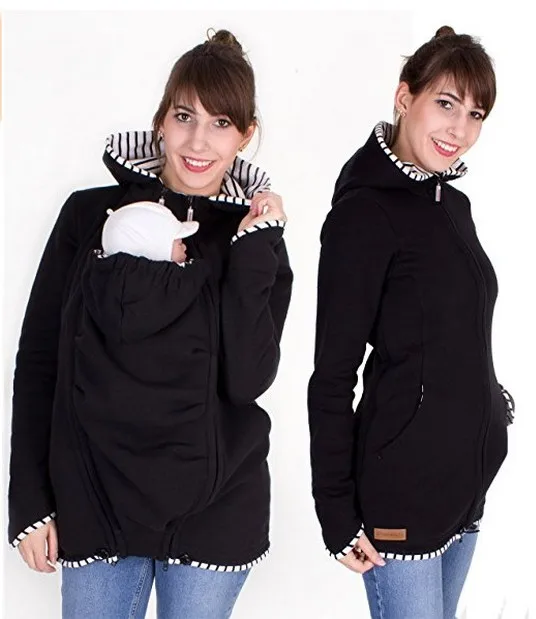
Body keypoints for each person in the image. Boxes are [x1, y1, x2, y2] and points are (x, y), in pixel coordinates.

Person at [8, 29, 293, 619]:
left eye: (220, 123)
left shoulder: (253, 242)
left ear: (246, 135)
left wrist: (253, 251)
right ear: (161, 120)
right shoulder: (88, 215)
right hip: (95, 498)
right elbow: (40, 359)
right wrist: (29, 501)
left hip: (215, 508)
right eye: (184, 116)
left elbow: (247, 380)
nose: (198, 141)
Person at [307, 26, 515, 619]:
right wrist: (336, 513)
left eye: (475, 114)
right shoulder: (363, 215)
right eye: (446, 104)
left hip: (465, 489)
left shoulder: (453, 205)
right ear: (405, 97)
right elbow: (332, 376)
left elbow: (452, 331)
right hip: (401, 496)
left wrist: (487, 405)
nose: (459, 130)